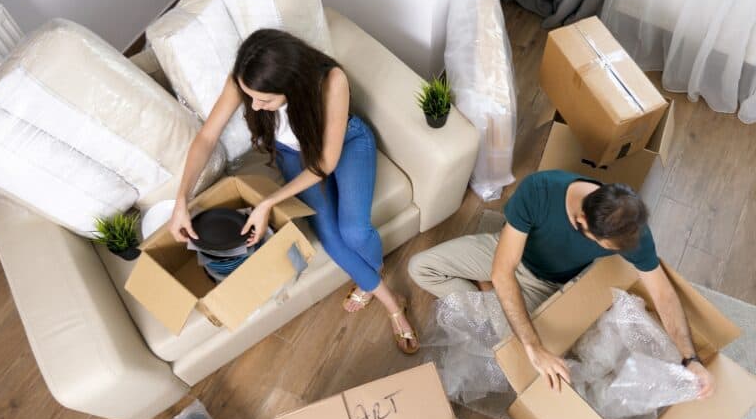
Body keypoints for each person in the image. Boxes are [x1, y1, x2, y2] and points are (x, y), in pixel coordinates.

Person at [168, 29, 419, 354]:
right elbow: (206, 138)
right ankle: (391, 303)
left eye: (265, 100)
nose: (255, 108)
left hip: (344, 145)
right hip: (293, 154)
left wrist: (268, 203)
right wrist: (181, 199)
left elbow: (325, 164)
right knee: (330, 237)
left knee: (355, 233)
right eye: (250, 97)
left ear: (291, 87)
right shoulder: (245, 80)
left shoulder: (331, 81)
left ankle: (371, 275)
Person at [408, 170, 714, 396]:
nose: (611, 253)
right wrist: (534, 345)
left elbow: (663, 293)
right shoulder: (540, 190)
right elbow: (503, 269)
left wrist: (690, 358)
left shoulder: (630, 230)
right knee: (420, 268)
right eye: (604, 246)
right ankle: (493, 296)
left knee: (523, 362)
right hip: (506, 254)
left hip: (546, 287)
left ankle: (488, 295)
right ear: (581, 219)